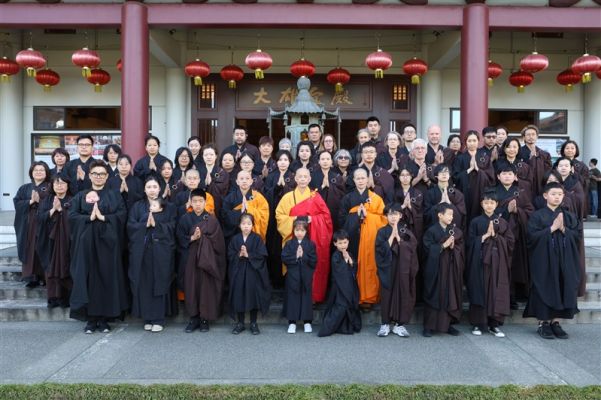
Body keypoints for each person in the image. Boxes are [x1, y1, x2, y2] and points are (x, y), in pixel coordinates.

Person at [68, 160, 129, 334]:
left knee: (107, 278)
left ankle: (104, 319)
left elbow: (122, 214)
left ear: (107, 176)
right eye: (95, 173)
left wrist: (104, 218)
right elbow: (72, 216)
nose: (98, 177)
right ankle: (90, 319)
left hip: (108, 244)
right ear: (89, 175)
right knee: (87, 278)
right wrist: (89, 218)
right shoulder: (81, 195)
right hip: (86, 243)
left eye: (102, 174)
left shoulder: (114, 195)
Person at [524, 182, 580, 340]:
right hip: (544, 260)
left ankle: (556, 322)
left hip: (565, 259)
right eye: (553, 194)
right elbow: (531, 237)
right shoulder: (537, 215)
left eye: (560, 194)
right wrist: (551, 229)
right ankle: (543, 323)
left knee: (562, 285)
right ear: (545, 195)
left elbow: (577, 236)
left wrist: (564, 229)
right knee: (545, 286)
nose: (557, 197)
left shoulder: (569, 216)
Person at [127, 176, 177, 332]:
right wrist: (145, 224)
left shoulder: (168, 206)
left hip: (161, 250)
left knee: (160, 281)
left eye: (155, 187)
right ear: (144, 189)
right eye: (149, 187)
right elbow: (130, 225)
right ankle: (147, 317)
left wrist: (157, 225)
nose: (152, 190)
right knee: (145, 282)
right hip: (142, 251)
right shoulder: (137, 206)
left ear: (160, 189)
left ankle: (158, 318)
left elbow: (173, 225)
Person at [276, 168, 333, 303]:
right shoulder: (288, 197)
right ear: (295, 179)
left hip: (312, 237)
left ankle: (312, 296)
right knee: (294, 267)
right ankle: (295, 298)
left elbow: (326, 217)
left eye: (305, 177)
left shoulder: (315, 196)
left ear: (309, 179)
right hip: (294, 237)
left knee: (311, 266)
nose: (302, 179)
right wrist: (296, 219)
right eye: (300, 177)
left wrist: (313, 219)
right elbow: (280, 216)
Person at [466, 189, 515, 338]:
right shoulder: (475, 222)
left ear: (496, 204)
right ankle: (477, 323)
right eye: (486, 203)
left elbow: (510, 242)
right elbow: (469, 242)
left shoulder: (502, 222)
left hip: (497, 262)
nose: (489, 205)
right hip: (480, 261)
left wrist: (497, 237)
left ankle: (494, 324)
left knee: (496, 290)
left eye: (492, 203)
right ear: (482, 204)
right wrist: (485, 236)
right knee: (479, 289)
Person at [176, 188, 226, 333]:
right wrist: (192, 238)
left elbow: (218, 242)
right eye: (195, 201)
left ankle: (205, 319)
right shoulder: (185, 218)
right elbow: (179, 238)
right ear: (190, 202)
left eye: (200, 201)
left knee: (206, 289)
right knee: (192, 288)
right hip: (190, 259)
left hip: (206, 260)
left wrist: (204, 239)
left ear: (205, 202)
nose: (198, 204)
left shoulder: (211, 220)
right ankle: (194, 318)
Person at [338, 168, 387, 307]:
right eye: (358, 178)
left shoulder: (376, 199)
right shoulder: (347, 198)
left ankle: (368, 297)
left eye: (363, 178)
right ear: (353, 180)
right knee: (353, 266)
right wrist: (356, 216)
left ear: (368, 179)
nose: (360, 181)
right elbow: (341, 219)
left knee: (369, 266)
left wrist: (368, 216)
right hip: (352, 237)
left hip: (370, 238)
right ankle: (353, 295)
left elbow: (383, 219)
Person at [375, 203, 419, 338]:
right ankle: (385, 324)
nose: (393, 217)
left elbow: (412, 248)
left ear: (400, 215)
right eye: (390, 214)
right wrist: (391, 237)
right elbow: (379, 250)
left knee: (403, 293)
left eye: (395, 214)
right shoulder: (382, 231)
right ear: (386, 216)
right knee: (386, 294)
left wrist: (399, 239)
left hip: (403, 268)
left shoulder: (406, 231)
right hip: (387, 268)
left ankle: (399, 325)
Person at [422, 202, 464, 337]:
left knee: (449, 295)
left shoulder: (455, 231)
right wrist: (442, 246)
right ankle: (429, 326)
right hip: (436, 269)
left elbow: (461, 248)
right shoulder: (431, 231)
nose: (451, 217)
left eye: (452, 215)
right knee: (434, 294)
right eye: (449, 214)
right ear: (440, 215)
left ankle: (448, 325)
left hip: (450, 268)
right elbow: (426, 249)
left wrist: (454, 247)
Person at [494, 164, 534, 305]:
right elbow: (488, 211)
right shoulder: (493, 192)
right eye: (504, 174)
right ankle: (500, 298)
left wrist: (517, 211)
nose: (507, 176)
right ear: (498, 177)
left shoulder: (520, 192)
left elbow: (530, 211)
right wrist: (506, 211)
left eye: (510, 174)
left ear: (515, 177)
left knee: (515, 265)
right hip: (498, 235)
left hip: (516, 235)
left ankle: (514, 297)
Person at [228, 213, 272, 335]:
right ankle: (240, 323)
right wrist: (239, 254)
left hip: (253, 273)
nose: (246, 226)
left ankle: (253, 323)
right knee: (239, 296)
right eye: (243, 223)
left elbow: (262, 255)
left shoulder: (257, 238)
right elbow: (230, 254)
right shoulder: (235, 239)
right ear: (239, 225)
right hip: (239, 272)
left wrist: (249, 255)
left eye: (248, 223)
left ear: (253, 225)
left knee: (253, 297)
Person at [36, 173, 72, 308]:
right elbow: (39, 218)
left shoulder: (72, 200)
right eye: (57, 183)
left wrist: (62, 210)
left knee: (66, 266)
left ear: (68, 186)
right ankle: (53, 297)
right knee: (51, 268)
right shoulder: (47, 200)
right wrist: (53, 210)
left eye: (62, 183)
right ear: (52, 185)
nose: (60, 186)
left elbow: (74, 219)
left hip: (66, 241)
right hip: (49, 240)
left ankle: (65, 298)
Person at [13, 161, 52, 288]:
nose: (39, 172)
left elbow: (55, 202)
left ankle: (45, 277)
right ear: (31, 172)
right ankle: (31, 277)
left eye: (42, 170)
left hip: (45, 222)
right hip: (28, 223)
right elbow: (17, 203)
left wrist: (40, 202)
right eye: (36, 170)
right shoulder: (24, 188)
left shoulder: (51, 187)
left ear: (46, 173)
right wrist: (30, 202)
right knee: (29, 248)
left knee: (44, 247)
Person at [318, 230, 362, 337]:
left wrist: (350, 261)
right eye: (340, 243)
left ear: (348, 242)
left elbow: (354, 268)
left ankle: (345, 327)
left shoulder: (349, 254)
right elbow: (338, 270)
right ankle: (326, 329)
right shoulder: (335, 256)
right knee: (340, 307)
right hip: (339, 287)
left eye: (345, 242)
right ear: (335, 244)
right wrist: (345, 261)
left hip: (349, 286)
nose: (343, 245)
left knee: (349, 305)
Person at [264, 150, 296, 288]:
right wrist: (277, 187)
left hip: (288, 217)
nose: (283, 163)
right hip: (273, 217)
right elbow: (266, 194)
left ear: (290, 162)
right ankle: (275, 279)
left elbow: (295, 196)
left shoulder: (293, 176)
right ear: (276, 162)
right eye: (280, 160)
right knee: (273, 247)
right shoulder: (271, 176)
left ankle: (287, 279)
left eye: (285, 160)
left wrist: (286, 188)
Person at [281, 219, 317, 334]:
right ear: (293, 231)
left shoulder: (311, 244)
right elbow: (284, 258)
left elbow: (314, 260)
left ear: (306, 231)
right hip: (293, 275)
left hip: (306, 275)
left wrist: (304, 256)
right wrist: (296, 256)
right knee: (292, 298)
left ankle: (307, 322)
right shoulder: (289, 244)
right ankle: (292, 322)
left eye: (302, 230)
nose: (299, 233)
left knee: (306, 298)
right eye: (297, 230)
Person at [453, 130, 495, 224]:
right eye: (469, 141)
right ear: (465, 142)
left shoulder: (484, 157)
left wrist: (478, 170)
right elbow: (455, 177)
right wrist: (468, 170)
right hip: (465, 193)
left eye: (474, 140)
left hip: (481, 192)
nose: (472, 143)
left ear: (478, 141)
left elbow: (491, 177)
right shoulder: (460, 158)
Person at [221, 170, 269, 243]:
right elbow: (224, 216)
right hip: (235, 235)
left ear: (251, 181)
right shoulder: (229, 198)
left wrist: (250, 209)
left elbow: (264, 215)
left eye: (247, 178)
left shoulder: (258, 197)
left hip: (253, 235)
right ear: (237, 182)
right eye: (241, 179)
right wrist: (239, 212)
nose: (244, 181)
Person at [424, 164, 466, 230]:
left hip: (452, 229)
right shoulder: (429, 194)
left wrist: (450, 204)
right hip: (435, 230)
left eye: (446, 172)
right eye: (441, 172)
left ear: (449, 175)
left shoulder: (457, 194)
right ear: (436, 175)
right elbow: (426, 214)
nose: (444, 174)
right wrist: (439, 205)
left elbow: (462, 214)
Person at [310, 151, 345, 229]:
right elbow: (309, 194)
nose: (325, 161)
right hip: (317, 212)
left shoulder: (337, 176)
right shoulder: (312, 176)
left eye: (327, 159)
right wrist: (322, 187)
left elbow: (342, 194)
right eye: (322, 159)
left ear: (331, 161)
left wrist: (330, 187)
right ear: (319, 161)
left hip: (333, 211)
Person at [519, 124, 552, 197]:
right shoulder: (518, 153)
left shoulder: (545, 154)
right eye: (528, 135)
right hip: (525, 188)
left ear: (537, 136)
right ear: (524, 137)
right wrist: (530, 159)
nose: (531, 137)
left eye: (533, 134)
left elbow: (548, 172)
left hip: (541, 187)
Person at [393, 167, 424, 244]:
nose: (405, 177)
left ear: (411, 177)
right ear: (399, 177)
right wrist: (403, 206)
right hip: (399, 223)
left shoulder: (418, 193)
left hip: (413, 225)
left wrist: (410, 206)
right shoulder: (394, 192)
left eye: (407, 175)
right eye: (402, 175)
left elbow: (421, 211)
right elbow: (390, 209)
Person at [197, 144, 230, 215]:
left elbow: (223, 192)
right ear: (202, 156)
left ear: (216, 156)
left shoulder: (223, 173)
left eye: (211, 155)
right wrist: (205, 185)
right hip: (200, 206)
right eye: (206, 155)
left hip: (218, 207)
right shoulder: (198, 172)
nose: (209, 157)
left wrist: (211, 184)